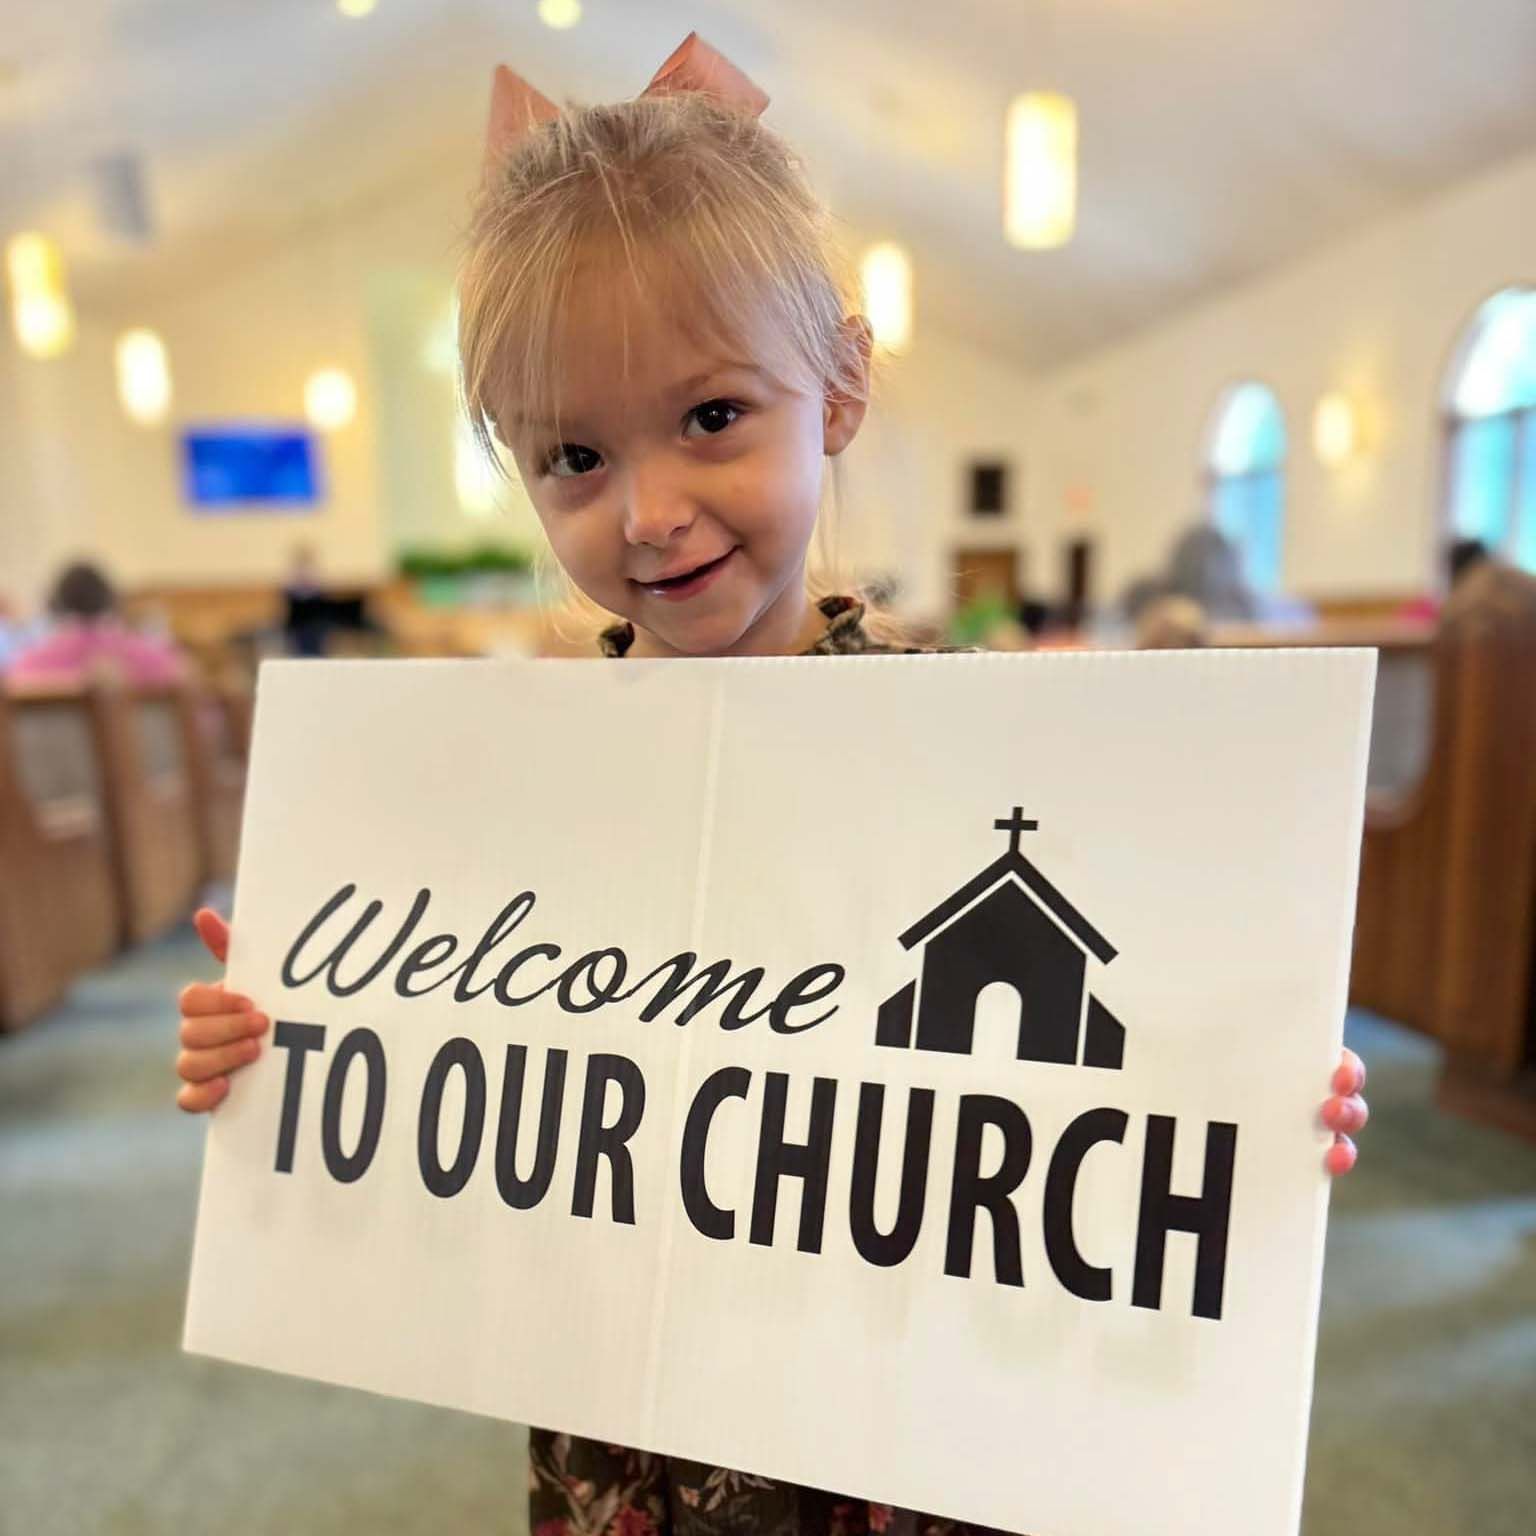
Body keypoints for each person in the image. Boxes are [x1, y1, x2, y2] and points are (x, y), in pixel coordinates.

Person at [172, 34, 1370, 1536]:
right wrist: (285, 1035)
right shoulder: (514, 789)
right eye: (574, 455)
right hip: (630, 1442)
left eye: (712, 418)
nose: (649, 511)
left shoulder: (996, 749)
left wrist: (1250, 1087)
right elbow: (431, 1082)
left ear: (841, 385)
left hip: (897, 1438)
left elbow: (1135, 1054)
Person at [10, 560, 185, 686]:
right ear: (111, 599)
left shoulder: (28, 666)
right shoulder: (158, 660)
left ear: (55, 604)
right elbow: (185, 682)